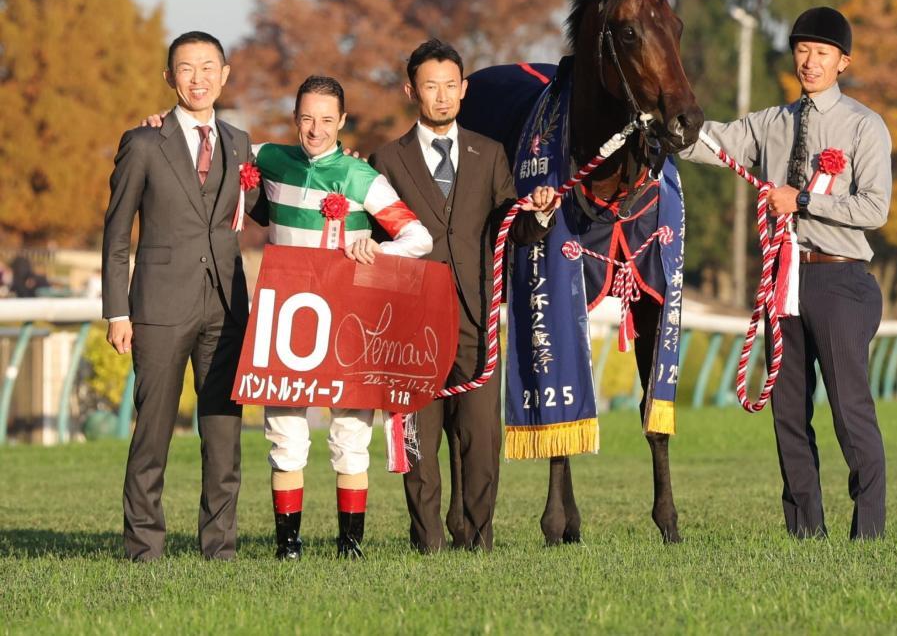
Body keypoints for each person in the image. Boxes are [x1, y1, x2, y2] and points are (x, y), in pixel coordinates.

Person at [681, 7, 891, 540]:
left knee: (849, 409)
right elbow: (708, 142)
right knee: (788, 412)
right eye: (802, 50)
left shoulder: (865, 126)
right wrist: (662, 125)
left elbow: (874, 210)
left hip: (842, 280)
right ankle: (804, 532)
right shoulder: (770, 123)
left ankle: (868, 532)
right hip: (784, 279)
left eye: (822, 52)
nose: (810, 61)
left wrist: (801, 200)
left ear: (843, 62)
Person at [370, 39, 560, 552]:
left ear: (464, 90)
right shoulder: (384, 161)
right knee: (420, 443)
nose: (442, 96)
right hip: (410, 325)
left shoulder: (489, 153)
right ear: (412, 90)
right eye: (431, 86)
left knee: (481, 439)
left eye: (451, 86)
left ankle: (477, 538)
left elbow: (510, 228)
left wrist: (536, 213)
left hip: (478, 318)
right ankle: (426, 540)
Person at [253, 75, 434, 561]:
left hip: (348, 322)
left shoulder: (361, 177)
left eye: (327, 120)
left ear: (342, 122)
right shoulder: (269, 157)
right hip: (288, 319)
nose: (315, 129)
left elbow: (420, 239)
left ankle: (349, 547)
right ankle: (286, 548)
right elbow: (214, 148)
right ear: (295, 118)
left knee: (351, 437)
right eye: (307, 118)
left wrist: (377, 245)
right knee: (285, 435)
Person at [102, 31, 266, 561]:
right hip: (158, 308)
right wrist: (118, 311)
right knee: (151, 435)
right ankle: (143, 546)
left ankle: (219, 546)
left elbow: (266, 200)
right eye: (186, 69)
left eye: (207, 68)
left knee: (223, 434)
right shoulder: (144, 141)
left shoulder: (241, 142)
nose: (198, 78)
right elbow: (116, 232)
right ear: (169, 78)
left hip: (225, 305)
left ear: (224, 74)